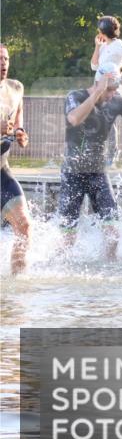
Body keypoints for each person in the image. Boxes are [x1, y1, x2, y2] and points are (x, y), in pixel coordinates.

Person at [58, 71, 122, 260]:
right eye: (108, 89)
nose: (111, 94)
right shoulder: (75, 96)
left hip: (98, 174)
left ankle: (108, 269)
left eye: (114, 89)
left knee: (113, 234)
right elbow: (74, 119)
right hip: (72, 173)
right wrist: (97, 93)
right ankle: (58, 269)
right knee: (68, 238)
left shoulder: (117, 102)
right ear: (98, 83)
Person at [90, 16, 122, 167]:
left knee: (109, 123)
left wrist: (121, 69)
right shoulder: (103, 45)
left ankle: (111, 157)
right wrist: (97, 47)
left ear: (102, 31)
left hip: (112, 90)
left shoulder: (118, 45)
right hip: (98, 89)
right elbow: (94, 66)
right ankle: (97, 154)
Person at [1, 44, 32, 275]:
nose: (3, 63)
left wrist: (20, 132)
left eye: (6, 58)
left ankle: (16, 284)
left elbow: (17, 117)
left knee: (24, 226)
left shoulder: (16, 87)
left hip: (1, 171)